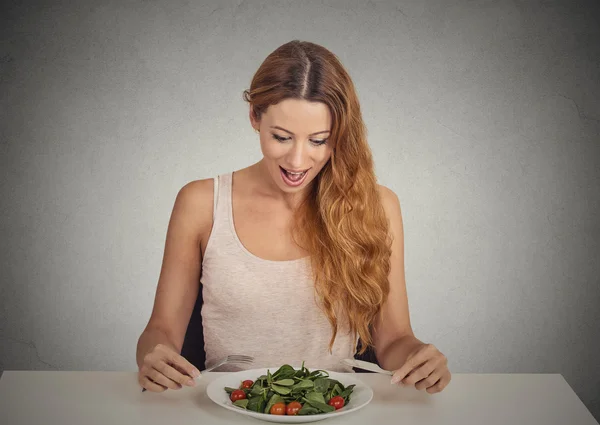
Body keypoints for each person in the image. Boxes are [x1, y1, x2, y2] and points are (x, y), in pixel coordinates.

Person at [136, 40, 451, 394]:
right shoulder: (200, 203)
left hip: (335, 409)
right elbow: (161, 329)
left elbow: (394, 339)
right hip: (227, 407)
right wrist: (154, 356)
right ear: (255, 117)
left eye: (319, 141)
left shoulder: (378, 206)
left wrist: (419, 358)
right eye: (282, 137)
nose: (298, 162)